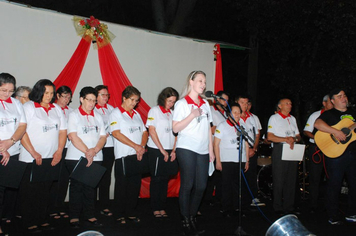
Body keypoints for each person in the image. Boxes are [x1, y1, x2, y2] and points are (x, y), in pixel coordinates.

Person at [19, 79, 67, 233]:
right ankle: (29, 221)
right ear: (38, 92)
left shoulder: (56, 109)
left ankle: (42, 218)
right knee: (30, 192)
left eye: (51, 93)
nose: (49, 96)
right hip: (30, 158)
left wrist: (59, 150)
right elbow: (22, 131)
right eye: (46, 93)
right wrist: (33, 152)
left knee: (45, 191)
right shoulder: (29, 107)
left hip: (50, 158)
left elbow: (62, 131)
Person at [172, 71, 214, 236]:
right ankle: (186, 220)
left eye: (204, 81)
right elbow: (175, 128)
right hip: (187, 147)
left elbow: (209, 130)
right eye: (200, 81)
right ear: (191, 82)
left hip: (203, 149)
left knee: (202, 185)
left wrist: (211, 150)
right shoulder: (182, 104)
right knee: (188, 184)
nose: (203, 84)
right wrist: (191, 115)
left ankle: (191, 215)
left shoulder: (205, 104)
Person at [65, 86, 107, 228]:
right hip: (76, 157)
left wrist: (94, 150)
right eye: (88, 100)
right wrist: (87, 151)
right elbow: (72, 135)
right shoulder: (74, 115)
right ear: (81, 99)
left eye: (94, 101)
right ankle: (74, 216)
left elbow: (103, 137)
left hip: (96, 156)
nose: (91, 103)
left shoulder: (98, 116)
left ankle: (90, 215)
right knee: (76, 187)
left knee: (90, 187)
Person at [314, 89, 356, 225]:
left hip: (353, 154)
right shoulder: (329, 114)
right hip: (336, 154)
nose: (344, 98)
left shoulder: (354, 114)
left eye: (344, 95)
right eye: (339, 96)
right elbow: (317, 124)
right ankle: (333, 215)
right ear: (333, 101)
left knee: (354, 185)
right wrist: (336, 132)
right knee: (334, 185)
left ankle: (351, 213)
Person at [109, 86, 148, 224]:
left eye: (136, 101)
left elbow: (144, 132)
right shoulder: (116, 113)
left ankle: (131, 212)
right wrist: (135, 146)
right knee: (122, 186)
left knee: (134, 186)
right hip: (124, 156)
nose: (134, 103)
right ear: (124, 98)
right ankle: (119, 213)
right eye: (132, 100)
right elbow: (116, 133)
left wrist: (141, 147)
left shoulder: (136, 114)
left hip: (137, 155)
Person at [0, 73, 27, 235]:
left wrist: (10, 142)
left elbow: (22, 126)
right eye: (3, 90)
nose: (7, 94)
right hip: (2, 151)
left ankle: (6, 219)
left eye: (11, 91)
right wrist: (3, 149)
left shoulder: (16, 103)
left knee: (9, 190)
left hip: (13, 150)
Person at [146, 87, 179, 218]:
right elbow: (152, 131)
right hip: (156, 150)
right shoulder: (154, 111)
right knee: (156, 179)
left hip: (170, 150)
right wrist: (162, 150)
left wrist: (174, 150)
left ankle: (162, 206)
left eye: (173, 102)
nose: (171, 104)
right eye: (169, 101)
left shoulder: (172, 113)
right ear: (163, 98)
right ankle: (155, 207)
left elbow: (177, 133)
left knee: (165, 179)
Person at [267, 98, 301, 215]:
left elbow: (298, 136)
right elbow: (270, 136)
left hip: (292, 148)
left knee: (291, 179)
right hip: (280, 148)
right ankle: (277, 207)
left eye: (291, 103)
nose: (290, 105)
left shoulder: (292, 119)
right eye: (287, 103)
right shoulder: (274, 118)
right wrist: (286, 139)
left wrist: (294, 139)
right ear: (280, 106)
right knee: (279, 178)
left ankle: (289, 207)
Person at [214, 103, 249, 217]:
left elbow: (246, 144)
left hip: (240, 160)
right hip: (227, 160)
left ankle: (238, 208)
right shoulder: (222, 126)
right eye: (235, 112)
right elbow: (216, 144)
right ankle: (226, 208)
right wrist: (218, 161)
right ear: (229, 114)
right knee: (226, 185)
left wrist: (247, 160)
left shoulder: (242, 125)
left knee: (238, 186)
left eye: (239, 112)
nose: (237, 115)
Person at [303, 94, 333, 213]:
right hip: (317, 149)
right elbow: (306, 131)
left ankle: (329, 203)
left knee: (331, 177)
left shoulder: (335, 116)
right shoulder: (315, 115)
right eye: (330, 102)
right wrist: (317, 138)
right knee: (315, 177)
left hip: (332, 149)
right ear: (324, 103)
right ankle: (313, 205)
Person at [49, 85, 74, 219]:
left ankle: (59, 205)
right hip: (55, 148)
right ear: (57, 96)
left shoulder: (71, 111)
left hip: (68, 148)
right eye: (64, 97)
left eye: (69, 97)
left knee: (64, 179)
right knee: (54, 178)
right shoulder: (52, 108)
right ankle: (51, 207)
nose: (66, 100)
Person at [236, 95, 264, 207]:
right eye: (242, 102)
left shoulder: (254, 118)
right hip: (239, 150)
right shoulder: (234, 116)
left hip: (252, 149)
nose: (245, 105)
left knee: (251, 174)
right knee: (239, 174)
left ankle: (253, 197)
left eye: (247, 103)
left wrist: (254, 148)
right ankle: (239, 199)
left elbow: (257, 134)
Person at [204, 91, 229, 207]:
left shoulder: (227, 113)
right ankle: (207, 198)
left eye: (227, 100)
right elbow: (209, 129)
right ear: (217, 99)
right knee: (211, 174)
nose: (226, 102)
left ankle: (219, 197)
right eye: (223, 99)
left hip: (224, 148)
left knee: (221, 175)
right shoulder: (211, 110)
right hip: (212, 146)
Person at [94, 85, 115, 217]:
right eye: (102, 94)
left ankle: (104, 204)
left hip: (110, 146)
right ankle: (91, 205)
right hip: (96, 146)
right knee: (94, 176)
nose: (105, 97)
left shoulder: (111, 109)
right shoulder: (92, 109)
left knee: (106, 177)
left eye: (107, 95)